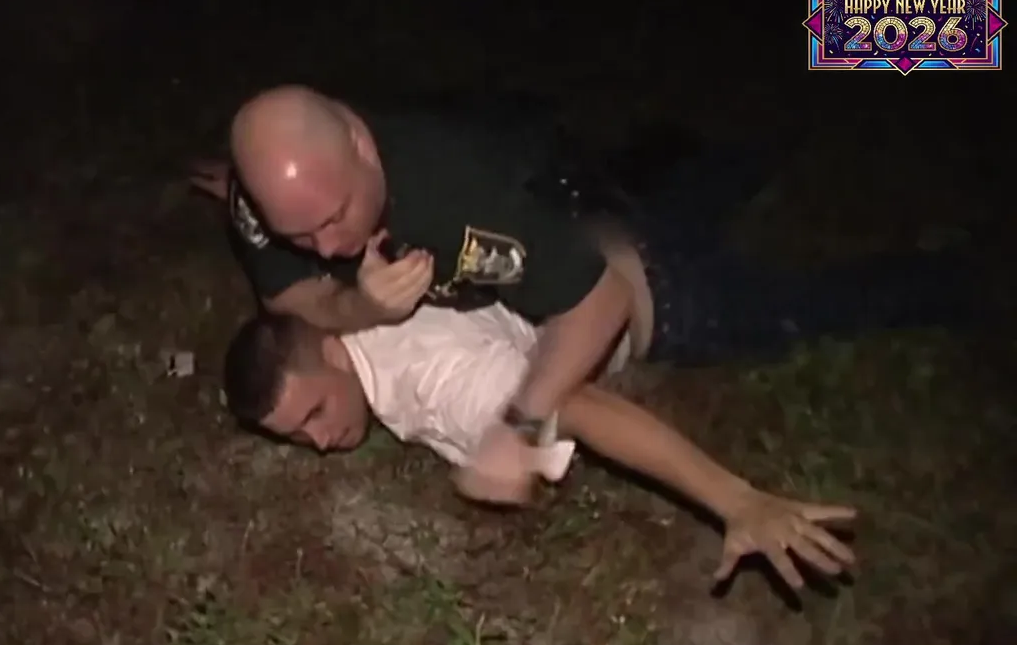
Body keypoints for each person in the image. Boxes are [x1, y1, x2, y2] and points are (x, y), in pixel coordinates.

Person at [202, 84, 983, 505]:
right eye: (299, 232)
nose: (327, 249)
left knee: (819, 306)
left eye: (335, 218)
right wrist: (361, 307)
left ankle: (972, 271)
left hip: (647, 290)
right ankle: (803, 91)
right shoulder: (267, 206)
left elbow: (597, 304)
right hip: (605, 221)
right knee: (731, 161)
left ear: (362, 145)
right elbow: (293, 306)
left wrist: (519, 423)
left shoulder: (458, 196)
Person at [221, 301, 858, 591]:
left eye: (315, 413)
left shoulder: (439, 385)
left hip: (657, 300)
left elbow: (579, 408)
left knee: (841, 299)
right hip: (589, 236)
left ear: (333, 353)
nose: (319, 441)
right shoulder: (342, 307)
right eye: (296, 435)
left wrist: (736, 500)